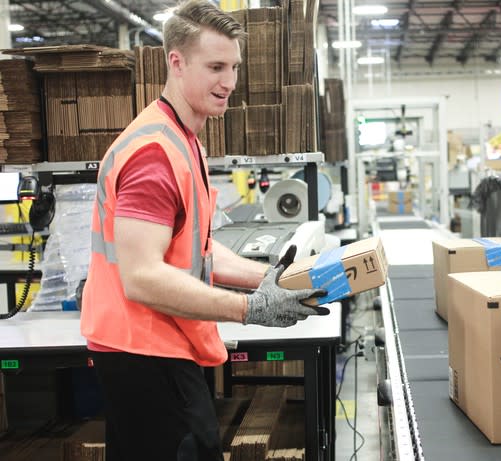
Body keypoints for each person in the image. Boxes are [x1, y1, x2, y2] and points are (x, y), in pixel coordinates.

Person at [79, 1, 326, 459]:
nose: (229, 82)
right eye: (215, 66)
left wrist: (273, 279)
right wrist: (250, 309)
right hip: (143, 348)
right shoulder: (153, 153)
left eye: (233, 66)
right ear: (176, 61)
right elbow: (142, 277)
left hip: (156, 344)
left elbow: (199, 250)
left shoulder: (184, 138)